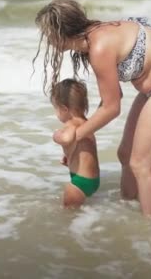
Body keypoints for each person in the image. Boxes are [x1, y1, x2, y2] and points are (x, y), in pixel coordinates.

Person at [34, 0, 151, 216]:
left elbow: (112, 108)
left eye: (47, 34)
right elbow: (112, 97)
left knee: (141, 164)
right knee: (125, 154)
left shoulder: (99, 46)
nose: (47, 40)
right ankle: (128, 208)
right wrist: (78, 137)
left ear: (59, 32)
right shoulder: (94, 39)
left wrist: (74, 138)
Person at [51, 78, 100, 208]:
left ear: (64, 109)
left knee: (68, 215)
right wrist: (69, 156)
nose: (56, 113)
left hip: (79, 182)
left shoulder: (71, 125)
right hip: (93, 180)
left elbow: (67, 138)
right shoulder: (87, 122)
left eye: (55, 109)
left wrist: (56, 136)